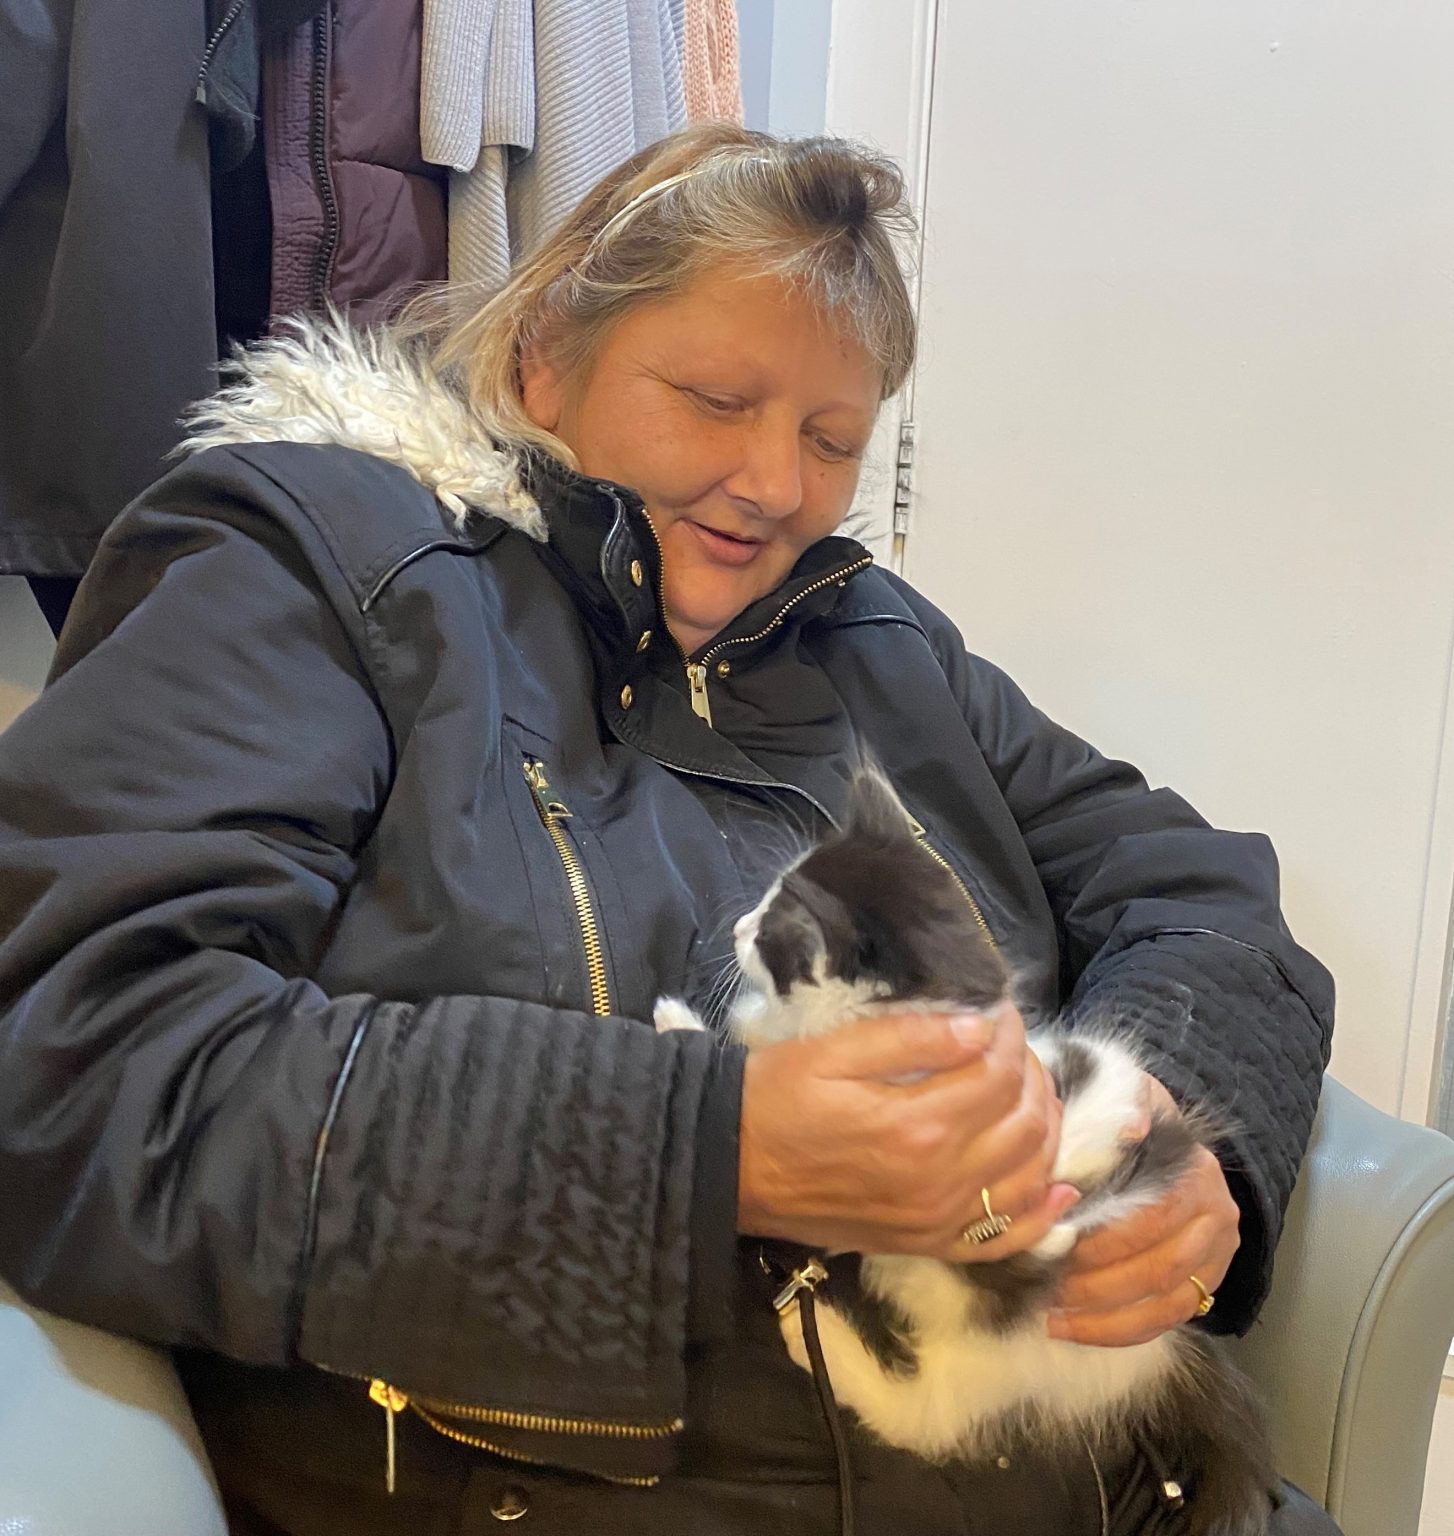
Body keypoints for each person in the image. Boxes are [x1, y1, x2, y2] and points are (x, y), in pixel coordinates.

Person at [0, 124, 1337, 1535]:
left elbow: (1196, 892)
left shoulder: (877, 644)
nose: (775, 485)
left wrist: (1178, 1133)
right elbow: (77, 1053)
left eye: (831, 440)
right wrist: (709, 1152)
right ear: (546, 359)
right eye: (714, 400)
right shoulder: (317, 571)